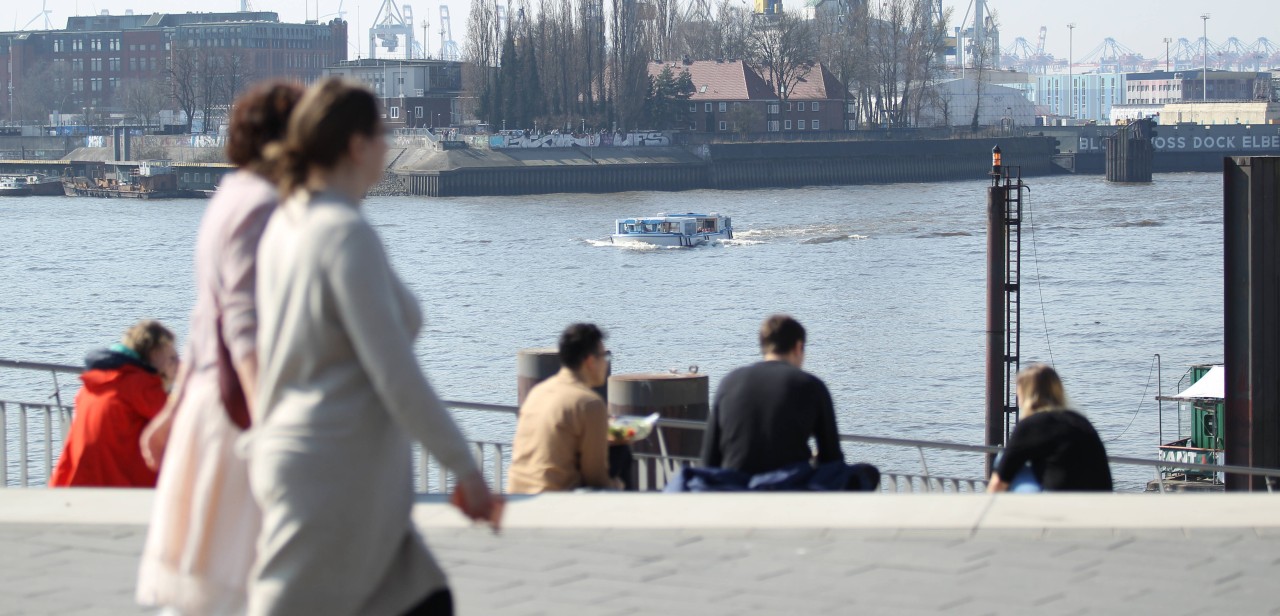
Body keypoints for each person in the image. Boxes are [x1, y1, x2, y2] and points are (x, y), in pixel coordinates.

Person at [249, 78, 499, 616]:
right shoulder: (343, 234)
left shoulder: (285, 227)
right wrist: (464, 467)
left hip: (317, 464)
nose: (390, 145)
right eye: (382, 134)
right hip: (337, 472)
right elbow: (394, 372)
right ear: (356, 146)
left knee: (426, 599)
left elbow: (272, 361)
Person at [136, 81, 303, 615]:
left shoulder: (229, 197)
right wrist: (271, 426)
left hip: (210, 410)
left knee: (209, 588)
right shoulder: (264, 207)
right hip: (242, 415)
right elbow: (241, 328)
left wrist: (172, 410)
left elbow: (202, 323)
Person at [49, 320, 179, 488]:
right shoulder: (140, 385)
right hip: (121, 491)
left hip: (82, 485)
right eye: (172, 358)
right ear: (155, 354)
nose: (177, 364)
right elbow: (181, 423)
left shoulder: (95, 383)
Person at [508, 323, 621, 494]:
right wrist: (619, 486)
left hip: (516, 496)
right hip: (553, 502)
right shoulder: (589, 403)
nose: (606, 364)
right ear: (590, 361)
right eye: (604, 358)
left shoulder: (538, 392)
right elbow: (596, 477)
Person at [988, 364, 1113, 493]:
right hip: (1100, 503)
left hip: (1060, 504)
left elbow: (998, 483)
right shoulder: (1080, 421)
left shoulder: (1030, 425)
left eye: (1019, 395)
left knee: (1002, 459)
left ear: (1026, 396)